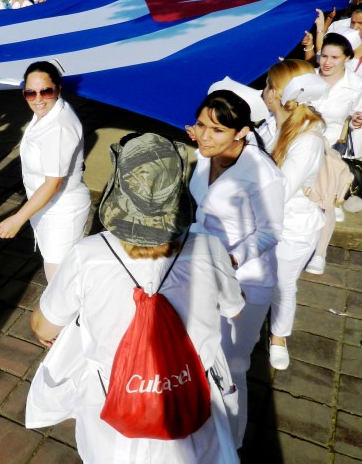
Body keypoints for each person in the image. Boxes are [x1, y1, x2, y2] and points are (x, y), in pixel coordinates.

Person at [27, 132, 245, 463]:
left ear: (120, 187)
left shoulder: (88, 255)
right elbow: (234, 309)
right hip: (189, 403)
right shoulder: (209, 249)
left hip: (113, 411)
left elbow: (43, 328)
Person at [185, 88, 285, 447]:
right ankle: (206, 425)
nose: (205, 136)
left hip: (247, 278)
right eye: (200, 126)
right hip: (203, 266)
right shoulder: (204, 153)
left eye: (217, 130)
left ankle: (234, 439)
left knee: (235, 362)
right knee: (204, 351)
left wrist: (231, 259)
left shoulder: (262, 173)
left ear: (241, 132)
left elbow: (271, 231)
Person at [258, 61, 327, 370]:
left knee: (283, 285)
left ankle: (278, 336)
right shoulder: (269, 123)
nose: (263, 91)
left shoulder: (307, 138)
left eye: (268, 85)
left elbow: (280, 190)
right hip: (259, 219)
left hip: (293, 228)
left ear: (277, 93)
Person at [0, 61, 90, 282]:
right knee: (62, 277)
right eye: (30, 93)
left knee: (59, 283)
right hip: (47, 206)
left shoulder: (58, 126)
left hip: (63, 210)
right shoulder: (46, 113)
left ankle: (75, 316)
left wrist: (17, 219)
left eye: (45, 91)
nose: (38, 98)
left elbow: (53, 183)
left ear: (58, 89)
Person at [307, 32, 362, 272]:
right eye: (324, 56)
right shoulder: (308, 77)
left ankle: (319, 254)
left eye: (334, 57)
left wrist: (355, 122)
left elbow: (353, 119)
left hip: (331, 147)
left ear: (347, 58)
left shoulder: (357, 85)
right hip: (302, 141)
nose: (327, 62)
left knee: (325, 199)